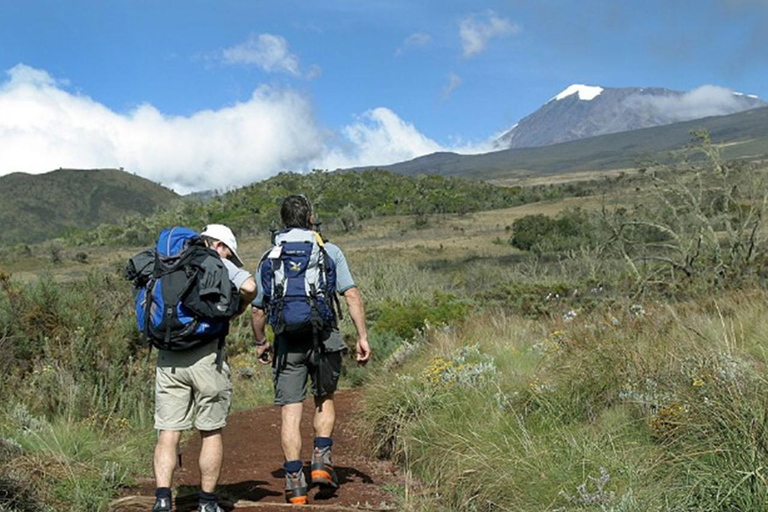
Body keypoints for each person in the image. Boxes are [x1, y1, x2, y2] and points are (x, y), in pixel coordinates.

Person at [251, 195, 372, 505]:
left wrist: (261, 342)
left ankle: (294, 484)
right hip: (326, 338)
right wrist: (362, 337)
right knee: (324, 399)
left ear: (282, 220)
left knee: (291, 413)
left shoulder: (270, 255)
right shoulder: (328, 250)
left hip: (287, 342)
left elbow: (257, 310)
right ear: (310, 219)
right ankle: (320, 463)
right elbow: (352, 295)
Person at [151, 224, 257, 512]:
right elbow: (249, 287)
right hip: (207, 358)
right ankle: (207, 503)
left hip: (168, 357)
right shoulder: (215, 261)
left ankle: (162, 500)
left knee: (168, 432)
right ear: (220, 245)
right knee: (210, 431)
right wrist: (239, 308)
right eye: (228, 252)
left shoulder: (165, 262)